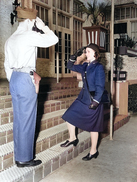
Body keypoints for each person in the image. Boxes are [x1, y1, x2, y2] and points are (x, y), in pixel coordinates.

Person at [4, 6, 58, 167]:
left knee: (19, 120)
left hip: (14, 78)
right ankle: (25, 158)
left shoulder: (11, 39)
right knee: (28, 120)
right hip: (25, 79)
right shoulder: (29, 35)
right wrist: (43, 27)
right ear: (30, 21)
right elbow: (53, 39)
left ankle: (19, 156)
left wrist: (15, 80)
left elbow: (7, 65)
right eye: (34, 21)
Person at [60, 43, 106, 161]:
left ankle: (93, 151)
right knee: (69, 115)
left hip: (93, 99)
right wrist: (75, 56)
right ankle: (72, 138)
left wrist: (96, 101)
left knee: (94, 127)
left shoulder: (98, 67)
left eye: (88, 51)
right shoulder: (85, 65)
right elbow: (69, 65)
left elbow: (100, 86)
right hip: (82, 98)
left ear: (95, 54)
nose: (86, 53)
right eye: (86, 51)